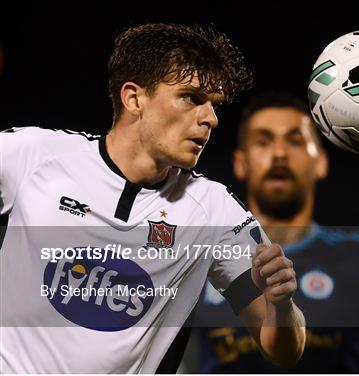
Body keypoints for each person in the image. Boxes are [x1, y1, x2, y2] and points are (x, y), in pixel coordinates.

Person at [0, 24, 305, 373]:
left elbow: (283, 349)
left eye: (214, 105)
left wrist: (282, 304)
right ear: (134, 98)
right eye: (191, 98)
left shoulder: (213, 210)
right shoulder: (32, 156)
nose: (211, 118)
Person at [188, 92, 359, 373]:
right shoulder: (205, 256)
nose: (279, 154)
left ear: (321, 162)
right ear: (240, 163)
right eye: (263, 142)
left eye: (295, 140)